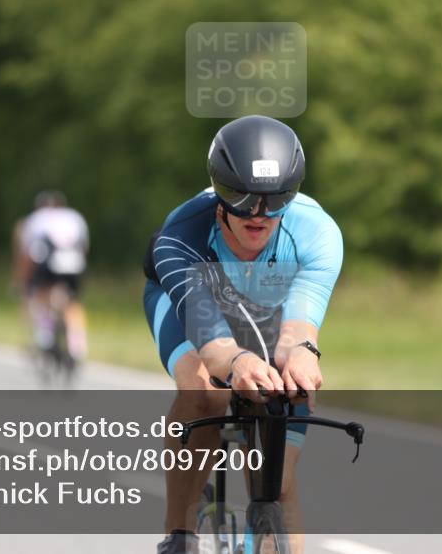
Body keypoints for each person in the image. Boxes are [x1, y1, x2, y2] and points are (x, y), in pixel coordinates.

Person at [142, 115, 343, 554]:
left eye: (276, 199)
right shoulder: (182, 235)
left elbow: (299, 327)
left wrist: (303, 353)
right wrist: (237, 362)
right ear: (219, 191)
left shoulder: (317, 233)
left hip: (268, 314)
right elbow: (214, 343)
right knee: (205, 390)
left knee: (279, 482)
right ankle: (179, 535)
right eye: (242, 196)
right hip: (191, 306)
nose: (258, 213)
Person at [13, 190, 90, 362]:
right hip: (74, 262)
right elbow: (84, 248)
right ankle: (77, 344)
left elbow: (26, 255)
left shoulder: (36, 219)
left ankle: (45, 335)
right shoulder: (75, 217)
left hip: (48, 261)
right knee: (73, 302)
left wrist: (22, 282)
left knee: (42, 294)